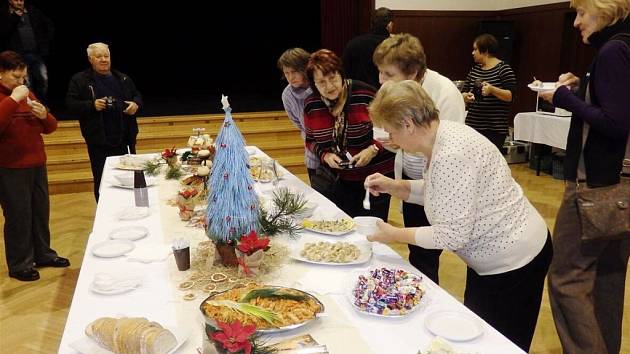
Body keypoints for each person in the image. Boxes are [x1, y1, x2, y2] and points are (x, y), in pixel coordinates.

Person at [365, 80, 552, 352]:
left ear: (408, 124)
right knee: (478, 336)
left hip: (515, 262)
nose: (390, 140)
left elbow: (451, 234)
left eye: (391, 132)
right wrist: (398, 187)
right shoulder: (441, 136)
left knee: (499, 345)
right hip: (493, 261)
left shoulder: (451, 153)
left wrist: (392, 234)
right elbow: (443, 193)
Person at [539, 1, 630, 353]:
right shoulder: (624, 46)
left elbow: (614, 123)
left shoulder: (613, 51)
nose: (576, 22)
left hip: (596, 187)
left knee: (566, 280)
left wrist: (564, 97)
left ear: (604, 9)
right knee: (608, 278)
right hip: (620, 189)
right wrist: (581, 91)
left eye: (581, 13)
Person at [372, 33, 465, 283]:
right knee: (418, 252)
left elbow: (444, 150)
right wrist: (396, 143)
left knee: (427, 252)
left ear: (413, 72)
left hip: (442, 184)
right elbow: (391, 136)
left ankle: (424, 293)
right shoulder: (396, 90)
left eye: (388, 74)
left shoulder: (445, 93)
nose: (381, 80)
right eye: (380, 72)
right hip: (416, 179)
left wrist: (396, 235)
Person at [0, 51, 69, 282]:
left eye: (24, 77)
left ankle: (43, 253)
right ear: (0, 74)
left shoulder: (26, 93)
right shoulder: (10, 98)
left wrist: (44, 114)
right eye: (16, 76)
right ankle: (20, 263)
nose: (21, 82)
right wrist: (13, 100)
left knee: (40, 211)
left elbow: (51, 127)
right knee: (18, 215)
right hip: (11, 167)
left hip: (37, 162)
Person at [304, 49, 394, 220]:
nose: (329, 86)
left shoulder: (365, 95)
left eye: (333, 78)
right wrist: (325, 155)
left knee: (372, 229)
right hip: (341, 180)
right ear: (313, 84)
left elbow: (391, 133)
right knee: (344, 225)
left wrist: (373, 148)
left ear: (341, 74)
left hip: (375, 176)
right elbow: (310, 139)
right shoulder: (311, 105)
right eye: (321, 82)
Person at [66, 42, 143, 201]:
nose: (103, 59)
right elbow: (70, 104)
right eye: (99, 56)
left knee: (130, 178)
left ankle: (131, 211)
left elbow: (137, 96)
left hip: (125, 139)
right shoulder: (80, 80)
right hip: (99, 141)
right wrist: (91, 105)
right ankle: (105, 217)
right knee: (103, 180)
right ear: (90, 59)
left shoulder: (122, 78)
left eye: (106, 56)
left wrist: (136, 105)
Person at [461, 34, 516, 151]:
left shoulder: (504, 69)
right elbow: (463, 93)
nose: (472, 53)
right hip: (473, 126)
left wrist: (492, 89)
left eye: (475, 49)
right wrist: (465, 97)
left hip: (494, 129)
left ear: (485, 51)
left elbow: (510, 96)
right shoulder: (474, 69)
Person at [277, 48, 322, 189]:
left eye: (294, 71)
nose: (291, 77)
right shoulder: (287, 95)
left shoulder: (322, 86)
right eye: (287, 73)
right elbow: (298, 123)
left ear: (305, 68)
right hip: (312, 152)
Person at [0, 0, 54, 102]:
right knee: (26, 82)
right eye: (16, 0)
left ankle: (41, 103)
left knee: (43, 79)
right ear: (10, 1)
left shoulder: (32, 10)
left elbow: (48, 25)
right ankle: (29, 105)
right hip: (18, 56)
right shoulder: (5, 13)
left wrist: (44, 42)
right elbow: (3, 31)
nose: (20, 2)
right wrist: (15, 17)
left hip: (36, 53)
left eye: (21, 0)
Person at [342, 7, 393, 89]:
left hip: (357, 96)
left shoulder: (353, 43)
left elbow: (344, 72)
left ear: (372, 24)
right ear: (389, 25)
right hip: (386, 95)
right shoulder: (395, 47)